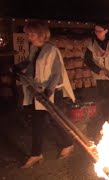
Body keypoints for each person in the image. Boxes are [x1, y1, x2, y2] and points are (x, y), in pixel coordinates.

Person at [16, 21, 76, 168]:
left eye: (32, 34)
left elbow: (56, 73)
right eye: (28, 34)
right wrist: (20, 67)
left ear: (41, 34)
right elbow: (31, 63)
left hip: (52, 92)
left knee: (55, 121)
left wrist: (48, 91)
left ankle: (68, 143)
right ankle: (36, 154)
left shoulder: (52, 50)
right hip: (38, 91)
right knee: (38, 123)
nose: (29, 36)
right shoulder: (33, 48)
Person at [84, 22, 109, 121]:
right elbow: (87, 60)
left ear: (106, 31)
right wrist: (98, 70)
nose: (97, 33)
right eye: (95, 31)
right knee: (101, 98)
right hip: (99, 76)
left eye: (99, 31)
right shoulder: (91, 44)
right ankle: (104, 119)